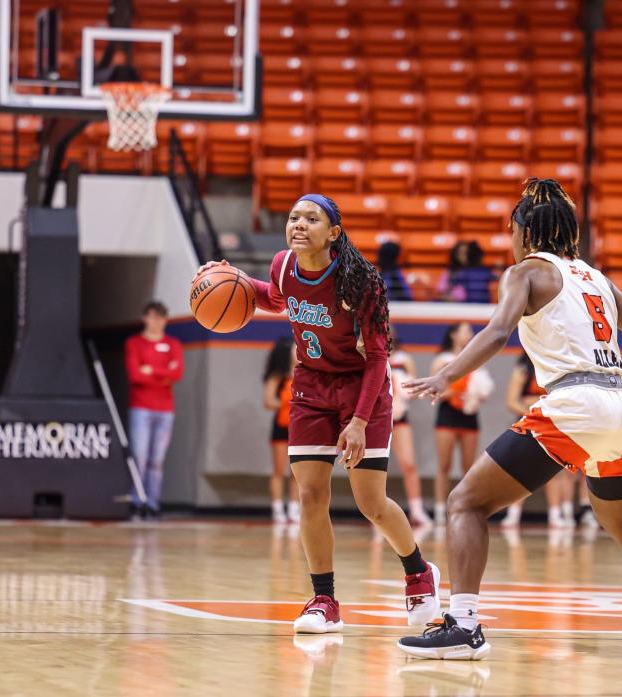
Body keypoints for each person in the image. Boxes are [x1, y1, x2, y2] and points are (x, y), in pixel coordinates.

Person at [398, 178, 622, 660]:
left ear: (525, 230)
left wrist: (446, 375)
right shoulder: (597, 279)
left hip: (575, 404)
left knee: (466, 502)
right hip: (620, 406)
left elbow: (496, 334)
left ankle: (464, 626)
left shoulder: (526, 273)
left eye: (512, 227)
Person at [195, 193, 439, 634]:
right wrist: (223, 277)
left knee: (371, 502)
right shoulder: (282, 267)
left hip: (362, 387)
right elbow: (275, 297)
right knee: (310, 495)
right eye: (293, 217)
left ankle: (418, 572)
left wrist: (360, 422)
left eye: (312, 218)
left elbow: (379, 355)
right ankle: (324, 599)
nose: (299, 225)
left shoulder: (363, 282)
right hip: (311, 386)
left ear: (334, 233)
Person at [124, 301, 184, 519]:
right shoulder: (134, 343)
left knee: (156, 460)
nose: (156, 322)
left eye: (160, 318)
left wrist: (150, 370)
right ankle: (136, 500)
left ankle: (152, 503)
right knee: (139, 456)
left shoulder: (173, 344)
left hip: (165, 409)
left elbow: (176, 374)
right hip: (141, 408)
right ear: (145, 318)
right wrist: (163, 374)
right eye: (152, 317)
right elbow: (135, 375)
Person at [503, 353, 574, 528]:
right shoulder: (523, 370)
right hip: (528, 425)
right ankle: (513, 514)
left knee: (555, 470)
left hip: (554, 425)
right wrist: (535, 410)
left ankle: (557, 514)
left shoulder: (558, 369)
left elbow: (564, 400)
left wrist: (535, 401)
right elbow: (511, 402)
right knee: (521, 471)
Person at [431, 322, 492, 525]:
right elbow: (435, 392)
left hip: (469, 416)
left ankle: (466, 509)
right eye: (466, 331)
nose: (470, 335)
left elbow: (483, 388)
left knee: (469, 467)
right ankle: (440, 509)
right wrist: (457, 390)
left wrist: (477, 393)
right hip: (447, 416)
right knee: (444, 465)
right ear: (454, 335)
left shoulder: (476, 358)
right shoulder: (443, 360)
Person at [390, 345, 431, 526]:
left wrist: (400, 390)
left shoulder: (403, 358)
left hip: (399, 416)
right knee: (374, 466)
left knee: (409, 463)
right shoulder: (365, 352)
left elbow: (414, 389)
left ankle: (417, 511)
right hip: (373, 417)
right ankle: (373, 511)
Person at [264, 336, 299, 523]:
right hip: (281, 426)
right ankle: (277, 508)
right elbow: (268, 402)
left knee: (297, 472)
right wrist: (286, 403)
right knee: (279, 470)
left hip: (299, 427)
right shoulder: (278, 376)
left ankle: (294, 508)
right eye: (295, 348)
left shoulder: (305, 373)